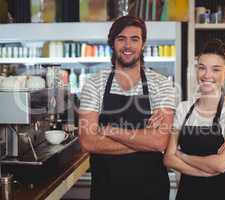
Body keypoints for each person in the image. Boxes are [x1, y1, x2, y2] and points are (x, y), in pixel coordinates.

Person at [79, 15, 176, 200]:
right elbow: (88, 142)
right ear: (112, 43)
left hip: (151, 190)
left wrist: (109, 130)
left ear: (143, 44)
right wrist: (143, 141)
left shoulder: (161, 84)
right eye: (121, 39)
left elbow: (159, 142)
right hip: (106, 190)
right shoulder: (94, 84)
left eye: (134, 39)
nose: (127, 46)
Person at [164, 39, 225, 200]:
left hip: (223, 194)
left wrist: (182, 156)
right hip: (187, 194)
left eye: (216, 69)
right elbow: (169, 159)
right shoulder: (184, 109)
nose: (207, 75)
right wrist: (205, 170)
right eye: (202, 68)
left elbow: (221, 165)